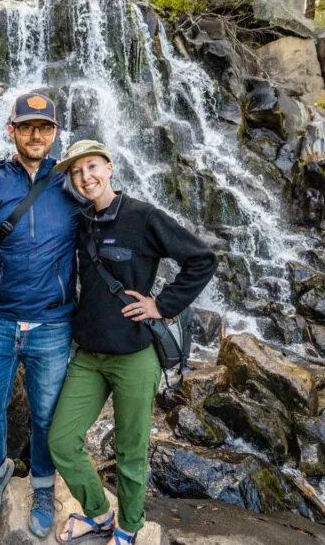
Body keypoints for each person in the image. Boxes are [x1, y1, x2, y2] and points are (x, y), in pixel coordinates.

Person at [48, 139, 217, 545]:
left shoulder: (143, 217)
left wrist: (163, 305)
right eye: (77, 171)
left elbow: (202, 259)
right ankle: (100, 515)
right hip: (88, 355)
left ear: (108, 167)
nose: (85, 177)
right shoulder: (82, 220)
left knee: (130, 450)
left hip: (135, 356)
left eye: (92, 167)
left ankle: (128, 528)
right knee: (61, 441)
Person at [0, 91, 80, 536]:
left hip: (53, 322)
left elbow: (104, 242)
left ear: (55, 134)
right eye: (27, 127)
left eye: (44, 127)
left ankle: (44, 485)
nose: (36, 135)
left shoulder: (71, 186)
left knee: (47, 414)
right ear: (12, 131)